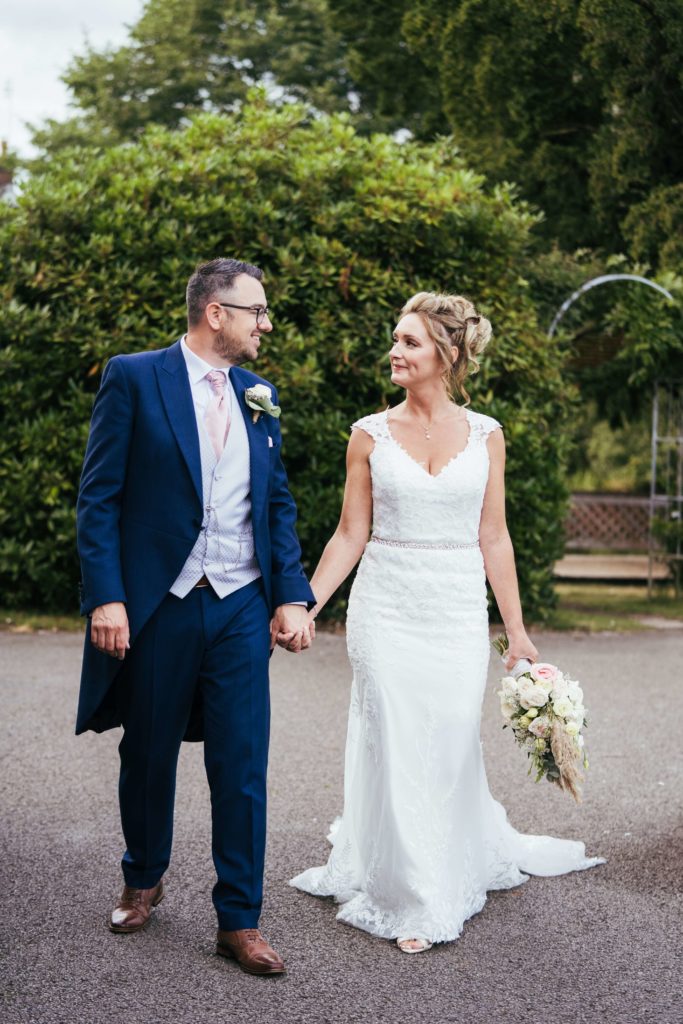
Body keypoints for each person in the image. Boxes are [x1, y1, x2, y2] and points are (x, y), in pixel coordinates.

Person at [290, 291, 604, 953]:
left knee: (451, 739)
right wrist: (304, 605)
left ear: (448, 353)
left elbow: (494, 537)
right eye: (395, 339)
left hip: (457, 612)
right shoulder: (368, 435)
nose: (394, 352)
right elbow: (349, 534)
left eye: (409, 342)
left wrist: (516, 630)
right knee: (395, 737)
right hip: (385, 608)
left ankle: (443, 865)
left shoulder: (487, 434)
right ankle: (417, 898)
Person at [76, 257, 315, 976]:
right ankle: (142, 877)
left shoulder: (260, 395)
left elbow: (275, 502)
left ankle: (239, 919)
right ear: (216, 313)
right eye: (256, 311)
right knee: (148, 752)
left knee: (241, 763)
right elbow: (99, 498)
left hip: (240, 603)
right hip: (163, 602)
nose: (265, 324)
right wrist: (107, 596)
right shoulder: (134, 377)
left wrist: (291, 594)